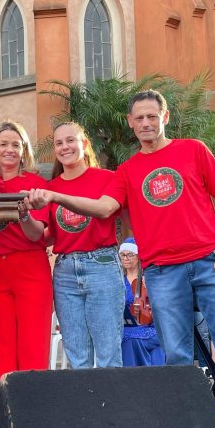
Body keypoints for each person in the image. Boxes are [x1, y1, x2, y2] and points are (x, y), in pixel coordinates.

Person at [25, 90, 215, 428]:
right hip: (163, 271)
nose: (146, 123)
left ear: (165, 116)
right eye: (139, 118)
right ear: (131, 123)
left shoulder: (193, 150)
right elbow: (104, 209)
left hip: (210, 262)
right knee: (177, 358)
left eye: (152, 116)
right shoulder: (126, 172)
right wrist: (57, 193)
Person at [42, 121, 125, 370]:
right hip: (65, 269)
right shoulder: (50, 187)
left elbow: (104, 209)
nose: (65, 147)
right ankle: (85, 408)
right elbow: (50, 235)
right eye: (59, 143)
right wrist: (21, 218)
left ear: (84, 144)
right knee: (77, 356)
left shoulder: (107, 178)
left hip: (101, 264)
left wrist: (58, 197)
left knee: (109, 353)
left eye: (70, 140)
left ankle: (111, 408)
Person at [0, 121, 52, 390]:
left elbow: (36, 235)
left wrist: (23, 213)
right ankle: (6, 409)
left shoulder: (35, 184)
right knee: (1, 346)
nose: (9, 150)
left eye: (16, 144)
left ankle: (34, 410)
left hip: (29, 267)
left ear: (24, 151)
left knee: (33, 343)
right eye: (4, 144)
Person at [118, 238, 165, 367]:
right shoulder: (118, 281)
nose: (125, 258)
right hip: (127, 327)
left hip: (150, 325)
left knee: (139, 338)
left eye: (130, 255)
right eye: (122, 254)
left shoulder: (148, 278)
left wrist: (150, 288)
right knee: (128, 338)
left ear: (138, 257)